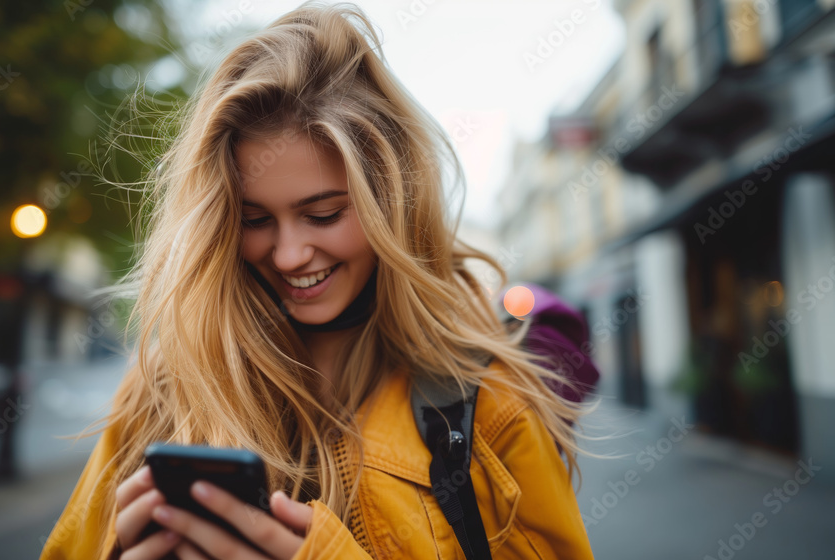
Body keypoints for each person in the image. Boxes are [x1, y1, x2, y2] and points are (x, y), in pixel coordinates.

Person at [40, 2, 596, 558]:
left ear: (393, 204)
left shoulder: (491, 407)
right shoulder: (164, 385)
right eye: (254, 219)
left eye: (324, 214)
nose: (287, 255)